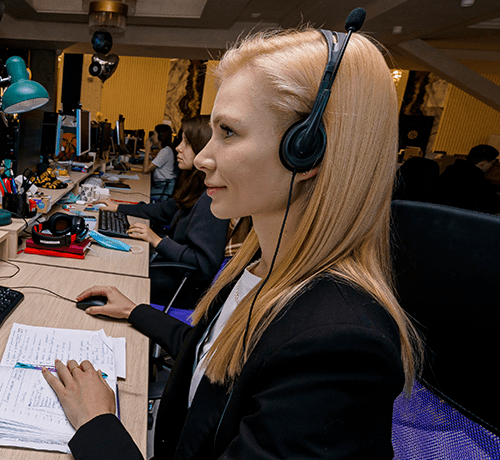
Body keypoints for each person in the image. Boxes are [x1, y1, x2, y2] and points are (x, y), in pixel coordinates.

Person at [43, 26, 422, 459]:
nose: (204, 157)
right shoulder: (261, 264)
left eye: (228, 132)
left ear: (307, 151)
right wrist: (136, 312)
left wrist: (97, 424)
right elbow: (215, 363)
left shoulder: (339, 346)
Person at [99, 115, 229, 305]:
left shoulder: (211, 199)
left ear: (204, 148)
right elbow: (164, 210)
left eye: (187, 143)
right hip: (172, 270)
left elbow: (202, 264)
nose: (178, 147)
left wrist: (157, 240)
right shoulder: (195, 185)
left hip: (182, 287)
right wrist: (118, 207)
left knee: (114, 271)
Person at [437, 144, 500, 213]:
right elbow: (493, 205)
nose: (491, 167)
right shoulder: (477, 178)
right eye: (492, 163)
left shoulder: (451, 170)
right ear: (483, 163)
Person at [143, 124, 177, 200]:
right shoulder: (165, 150)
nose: (152, 137)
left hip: (164, 188)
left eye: (154, 134)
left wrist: (147, 149)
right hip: (162, 185)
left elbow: (145, 170)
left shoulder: (165, 151)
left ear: (160, 137)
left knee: (142, 193)